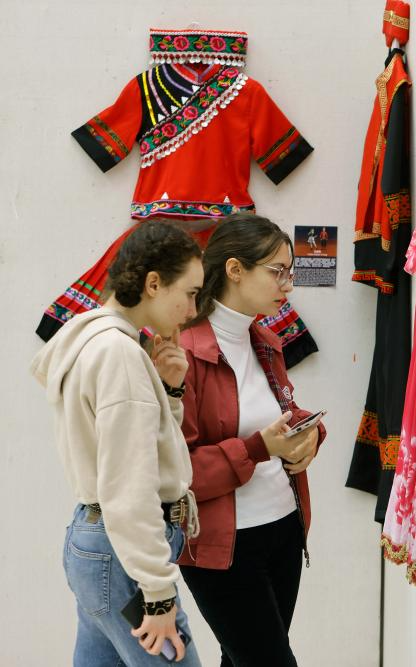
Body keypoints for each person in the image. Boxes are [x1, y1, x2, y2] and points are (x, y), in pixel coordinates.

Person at [31, 220, 204, 665]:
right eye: (189, 293)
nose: (192, 310)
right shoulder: (120, 354)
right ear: (153, 284)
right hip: (122, 556)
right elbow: (129, 487)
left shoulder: (92, 339)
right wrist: (159, 593)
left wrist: (169, 391)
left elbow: (140, 452)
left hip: (99, 546)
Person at [177, 213, 326, 666]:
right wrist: (260, 448)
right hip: (224, 548)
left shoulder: (264, 340)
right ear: (235, 270)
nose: (288, 285)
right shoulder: (183, 353)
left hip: (284, 529)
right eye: (278, 271)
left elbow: (281, 416)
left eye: (290, 272)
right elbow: (178, 472)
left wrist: (311, 434)